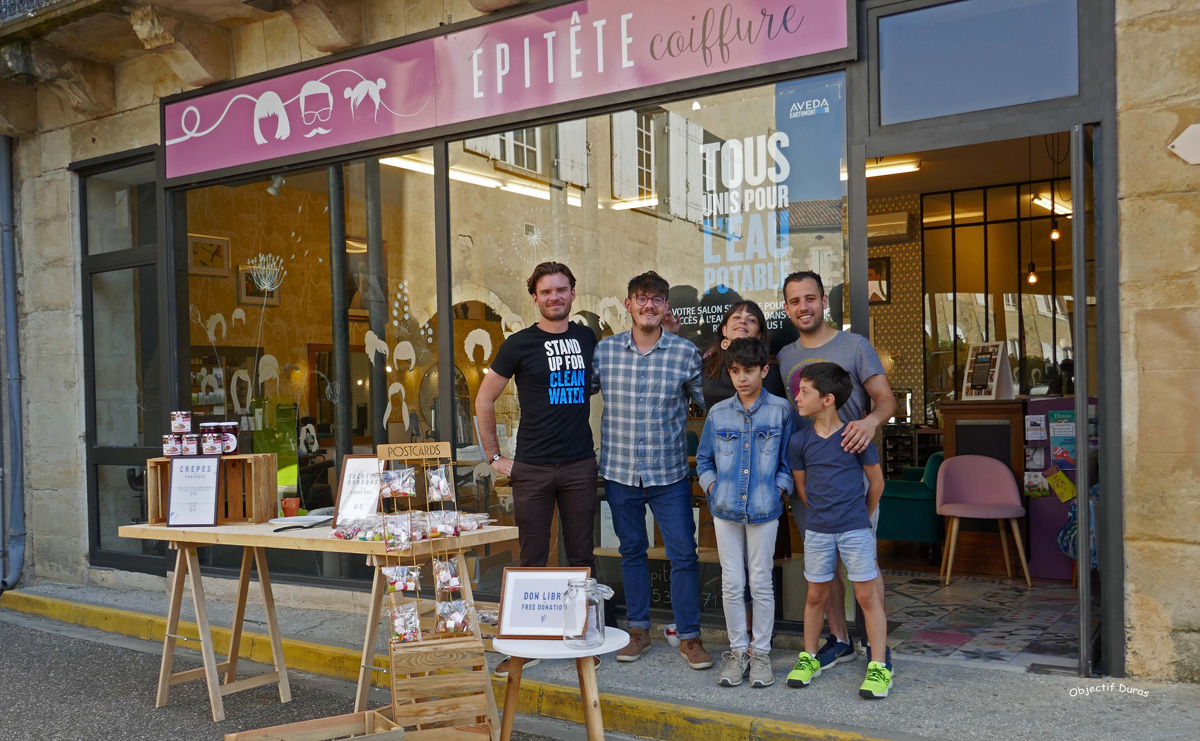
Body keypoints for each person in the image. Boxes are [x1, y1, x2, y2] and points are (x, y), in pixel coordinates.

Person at [476, 262, 598, 677]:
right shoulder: (518, 344)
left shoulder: (587, 337)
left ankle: (583, 639)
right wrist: (494, 456)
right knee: (531, 558)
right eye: (546, 292)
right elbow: (484, 399)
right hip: (532, 467)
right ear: (535, 298)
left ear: (573, 293)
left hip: (579, 463)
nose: (554, 297)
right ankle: (526, 645)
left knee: (581, 557)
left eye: (561, 290)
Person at [592, 271, 712, 670]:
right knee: (631, 552)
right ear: (628, 304)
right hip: (620, 471)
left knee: (684, 555)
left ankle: (689, 636)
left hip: (669, 474)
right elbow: (572, 398)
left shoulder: (684, 353)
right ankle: (638, 630)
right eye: (641, 298)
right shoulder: (604, 352)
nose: (648, 305)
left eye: (656, 299)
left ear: (666, 307)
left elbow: (713, 406)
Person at [777, 270, 896, 670]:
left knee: (865, 564)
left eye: (810, 298)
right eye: (795, 301)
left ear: (824, 301)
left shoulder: (855, 345)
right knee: (822, 568)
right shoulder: (785, 356)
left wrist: (870, 422)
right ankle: (840, 639)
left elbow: (886, 400)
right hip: (809, 475)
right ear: (787, 308)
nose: (803, 307)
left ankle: (878, 649)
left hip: (852, 473)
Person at [785, 362, 892, 699]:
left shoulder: (855, 437)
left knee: (867, 596)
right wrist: (824, 515)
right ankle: (809, 657)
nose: (797, 397)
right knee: (815, 595)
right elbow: (802, 489)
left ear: (827, 399)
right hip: (818, 531)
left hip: (855, 530)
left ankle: (879, 665)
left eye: (804, 392)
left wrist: (861, 517)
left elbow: (877, 483)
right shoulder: (799, 441)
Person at [695, 338, 794, 688]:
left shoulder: (781, 411)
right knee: (732, 581)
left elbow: (788, 462)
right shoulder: (718, 413)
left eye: (749, 371)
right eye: (735, 371)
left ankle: (761, 653)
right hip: (725, 509)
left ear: (764, 371)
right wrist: (712, 487)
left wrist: (778, 489)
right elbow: (704, 459)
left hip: (765, 509)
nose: (742, 378)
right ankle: (738, 652)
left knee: (762, 581)